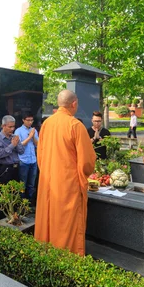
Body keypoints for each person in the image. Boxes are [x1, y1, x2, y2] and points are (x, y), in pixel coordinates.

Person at [34, 90, 96, 256]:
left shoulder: (47, 124)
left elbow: (40, 154)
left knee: (49, 217)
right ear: (74, 104)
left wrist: (48, 170)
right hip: (68, 185)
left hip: (48, 180)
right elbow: (87, 162)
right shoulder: (75, 125)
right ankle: (66, 258)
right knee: (66, 223)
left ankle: (46, 252)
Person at [0, 115, 24, 190]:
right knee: (3, 194)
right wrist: (12, 145)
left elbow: (22, 151)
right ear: (3, 126)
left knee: (15, 192)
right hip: (3, 169)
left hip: (15, 168)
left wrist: (17, 144)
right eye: (10, 127)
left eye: (13, 127)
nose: (12, 129)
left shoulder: (14, 137)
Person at [15, 113, 39, 201]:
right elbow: (19, 145)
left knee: (31, 184)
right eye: (28, 120)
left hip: (33, 160)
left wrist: (33, 137)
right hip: (23, 160)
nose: (30, 122)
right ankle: (22, 203)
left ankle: (30, 202)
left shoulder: (34, 131)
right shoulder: (19, 131)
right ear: (23, 120)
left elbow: (38, 145)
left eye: (31, 120)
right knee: (22, 184)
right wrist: (29, 137)